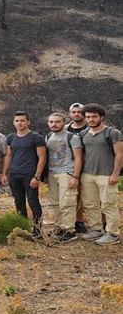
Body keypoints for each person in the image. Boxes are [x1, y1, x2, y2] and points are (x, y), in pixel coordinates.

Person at [78, 103, 123, 245]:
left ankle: (113, 233)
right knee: (90, 204)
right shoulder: (83, 134)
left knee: (109, 205)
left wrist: (115, 173)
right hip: (88, 175)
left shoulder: (112, 133)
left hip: (106, 175)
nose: (91, 119)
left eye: (94, 116)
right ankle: (96, 229)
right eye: (88, 117)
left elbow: (119, 155)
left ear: (101, 117)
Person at [1, 111, 47, 237]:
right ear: (13, 122)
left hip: (30, 175)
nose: (19, 123)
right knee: (19, 201)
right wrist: (4, 173)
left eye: (22, 120)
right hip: (14, 175)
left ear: (28, 122)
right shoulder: (11, 137)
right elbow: (9, 155)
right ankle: (23, 227)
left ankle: (38, 229)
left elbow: (42, 157)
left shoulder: (36, 137)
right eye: (17, 121)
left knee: (33, 201)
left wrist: (37, 176)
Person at [45, 112, 84, 243]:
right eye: (51, 122)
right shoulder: (49, 136)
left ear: (64, 122)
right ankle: (60, 226)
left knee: (67, 202)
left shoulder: (72, 137)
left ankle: (69, 230)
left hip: (66, 173)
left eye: (57, 122)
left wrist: (75, 176)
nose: (54, 124)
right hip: (52, 173)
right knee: (55, 202)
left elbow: (79, 158)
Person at [66, 102, 88, 234]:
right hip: (70, 167)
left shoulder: (91, 127)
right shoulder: (65, 129)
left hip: (89, 166)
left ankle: (101, 224)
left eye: (79, 112)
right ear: (70, 114)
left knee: (93, 197)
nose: (76, 114)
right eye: (74, 112)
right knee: (75, 195)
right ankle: (78, 221)